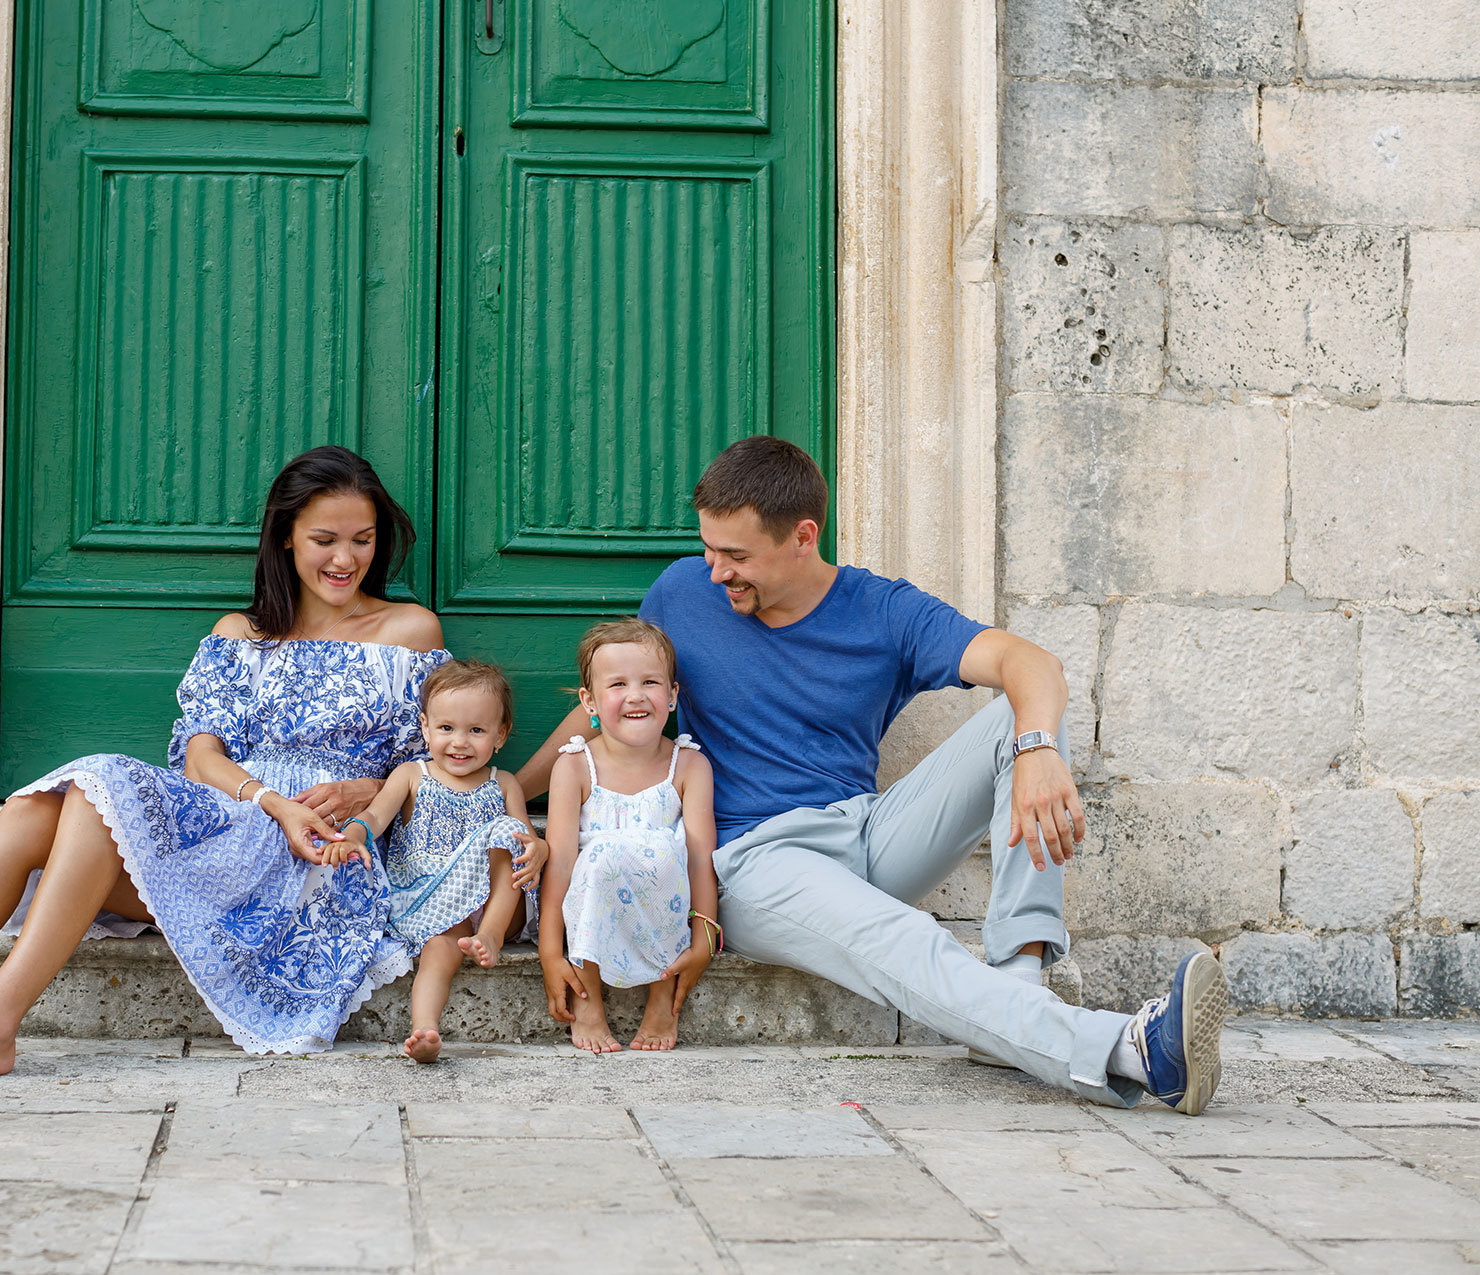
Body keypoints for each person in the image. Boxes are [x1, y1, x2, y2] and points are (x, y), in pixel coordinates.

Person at [518, 437, 1226, 1114]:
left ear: (802, 537)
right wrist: (520, 787)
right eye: (707, 549)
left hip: (867, 830)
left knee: (1026, 712)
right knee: (908, 941)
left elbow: (1031, 662)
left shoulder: (882, 610)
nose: (715, 571)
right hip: (757, 859)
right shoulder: (682, 592)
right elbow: (610, 709)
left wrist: (1037, 747)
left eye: (736, 554)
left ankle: (1016, 982)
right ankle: (1134, 1054)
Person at [0, 446, 447, 1085]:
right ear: (286, 536)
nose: (344, 559)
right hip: (235, 820)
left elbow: (434, 769)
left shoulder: (408, 631)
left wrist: (369, 789)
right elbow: (202, 755)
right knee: (54, 803)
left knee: (83, 794)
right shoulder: (240, 636)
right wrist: (269, 799)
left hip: (317, 863)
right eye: (324, 540)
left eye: (363, 540)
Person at [322, 660, 545, 1064]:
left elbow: (524, 841)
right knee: (439, 950)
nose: (460, 742)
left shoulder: (504, 782)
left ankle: (491, 937)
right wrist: (355, 833)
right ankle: (424, 1030)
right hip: (431, 900)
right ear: (425, 727)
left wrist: (540, 849)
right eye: (446, 728)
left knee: (505, 831)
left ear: (500, 735)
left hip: (499, 906)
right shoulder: (412, 775)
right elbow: (375, 816)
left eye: (476, 730)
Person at [537, 620, 721, 1054]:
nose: (636, 695)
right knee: (600, 857)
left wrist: (706, 938)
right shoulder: (576, 766)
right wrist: (549, 951)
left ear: (672, 696)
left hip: (663, 893)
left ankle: (662, 997)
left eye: (650, 682)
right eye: (618, 684)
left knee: (663, 850)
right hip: (594, 894)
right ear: (590, 701)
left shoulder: (690, 766)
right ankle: (588, 999)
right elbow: (560, 862)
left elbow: (699, 859)